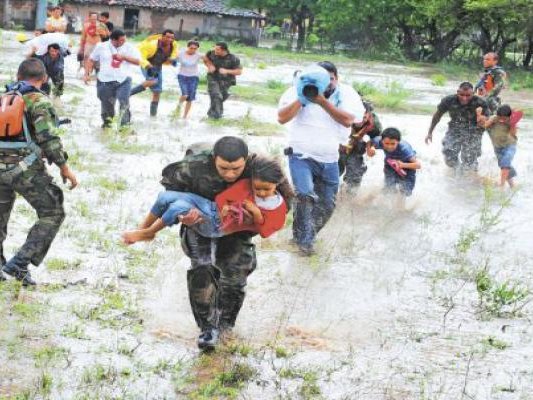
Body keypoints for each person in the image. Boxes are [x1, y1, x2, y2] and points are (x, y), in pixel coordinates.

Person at [159, 136, 273, 350]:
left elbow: (283, 201)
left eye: (236, 169)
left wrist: (256, 215)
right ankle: (207, 328)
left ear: (246, 161)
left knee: (236, 274)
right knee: (202, 267)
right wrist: (184, 215)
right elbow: (170, 194)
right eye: (223, 168)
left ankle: (226, 326)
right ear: (213, 159)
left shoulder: (261, 169)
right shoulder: (192, 168)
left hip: (237, 224)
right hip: (200, 221)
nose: (229, 175)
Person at [0, 58, 78, 286]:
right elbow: (48, 138)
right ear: (44, 79)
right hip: (24, 169)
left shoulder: (3, 98)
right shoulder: (39, 101)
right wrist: (64, 167)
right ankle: (20, 262)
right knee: (53, 212)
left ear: (17, 76)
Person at [278, 61, 365, 255]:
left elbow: (349, 120)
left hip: (330, 158)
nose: (325, 84)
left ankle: (303, 235)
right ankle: (305, 243)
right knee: (305, 194)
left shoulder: (346, 93)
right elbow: (282, 118)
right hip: (300, 155)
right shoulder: (298, 90)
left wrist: (322, 101)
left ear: (336, 79)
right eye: (319, 80)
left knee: (327, 205)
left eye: (329, 80)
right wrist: (302, 98)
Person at [122, 155, 291, 244]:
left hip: (219, 225)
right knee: (165, 196)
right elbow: (223, 197)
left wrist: (256, 214)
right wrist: (226, 206)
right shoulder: (247, 182)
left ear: (277, 184)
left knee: (178, 206)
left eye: (266, 189)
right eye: (257, 188)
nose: (260, 193)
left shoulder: (277, 206)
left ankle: (149, 233)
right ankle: (142, 230)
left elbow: (265, 231)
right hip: (212, 207)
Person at [426, 82, 489, 173]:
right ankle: (458, 173)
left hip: (474, 131)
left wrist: (482, 118)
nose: (464, 98)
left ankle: (469, 179)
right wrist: (430, 132)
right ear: (457, 92)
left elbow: (488, 120)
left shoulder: (480, 102)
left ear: (473, 93)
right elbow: (437, 115)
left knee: (469, 160)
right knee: (448, 153)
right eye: (462, 95)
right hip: (455, 128)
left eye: (468, 95)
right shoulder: (448, 100)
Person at [85, 29, 141, 128]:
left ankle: (124, 127)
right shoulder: (101, 46)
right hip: (105, 81)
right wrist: (87, 74)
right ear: (113, 40)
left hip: (124, 80)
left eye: (124, 40)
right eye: (121, 40)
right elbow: (91, 60)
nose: (124, 42)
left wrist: (123, 57)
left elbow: (138, 61)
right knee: (107, 108)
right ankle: (107, 126)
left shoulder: (129, 47)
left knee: (124, 102)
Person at [367, 128, 421, 208]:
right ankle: (368, 200)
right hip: (391, 164)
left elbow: (418, 165)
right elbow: (370, 142)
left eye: (393, 144)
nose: (389, 146)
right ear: (382, 141)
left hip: (408, 166)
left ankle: (400, 209)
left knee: (404, 191)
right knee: (389, 187)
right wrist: (370, 149)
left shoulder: (404, 149)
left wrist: (402, 165)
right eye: (387, 143)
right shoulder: (379, 141)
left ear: (398, 142)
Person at [129, 30, 179, 117]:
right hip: (147, 64)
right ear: (162, 36)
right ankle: (128, 93)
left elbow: (174, 53)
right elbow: (141, 57)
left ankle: (153, 115)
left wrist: (173, 59)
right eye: (167, 37)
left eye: (172, 38)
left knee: (157, 91)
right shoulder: (151, 45)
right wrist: (148, 66)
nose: (170, 39)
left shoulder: (174, 44)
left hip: (158, 66)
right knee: (152, 80)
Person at [338, 100, 382, 194]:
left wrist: (371, 147)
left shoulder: (374, 123)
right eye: (358, 117)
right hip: (336, 145)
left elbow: (377, 137)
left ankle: (347, 199)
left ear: (369, 115)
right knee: (330, 172)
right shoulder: (342, 114)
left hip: (355, 145)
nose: (360, 120)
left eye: (364, 117)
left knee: (355, 173)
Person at [477, 104, 520, 188]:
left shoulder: (512, 121)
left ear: (509, 116)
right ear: (497, 115)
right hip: (498, 148)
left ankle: (501, 186)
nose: (501, 120)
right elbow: (485, 125)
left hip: (509, 146)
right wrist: (479, 115)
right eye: (500, 117)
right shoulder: (494, 118)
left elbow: (513, 134)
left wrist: (512, 124)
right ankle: (512, 185)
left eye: (504, 118)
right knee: (504, 166)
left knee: (505, 163)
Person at [203, 42, 242, 119]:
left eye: (217, 49)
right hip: (213, 78)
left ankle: (211, 112)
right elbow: (205, 59)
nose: (215, 51)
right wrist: (209, 65)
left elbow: (239, 72)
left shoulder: (233, 58)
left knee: (221, 97)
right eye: (215, 48)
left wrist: (227, 71)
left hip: (226, 81)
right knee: (217, 96)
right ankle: (217, 116)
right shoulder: (211, 53)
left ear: (224, 50)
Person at [175, 40, 202, 119]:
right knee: (185, 94)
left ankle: (185, 116)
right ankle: (178, 107)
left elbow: (208, 61)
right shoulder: (180, 53)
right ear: (188, 47)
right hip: (182, 76)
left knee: (190, 98)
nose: (193, 50)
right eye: (191, 48)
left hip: (194, 77)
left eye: (195, 49)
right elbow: (172, 60)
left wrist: (211, 67)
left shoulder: (198, 55)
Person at [78, 12, 110, 76]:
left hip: (98, 45)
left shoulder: (101, 25)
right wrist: (81, 48)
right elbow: (83, 37)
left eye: (95, 18)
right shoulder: (86, 25)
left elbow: (107, 34)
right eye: (92, 18)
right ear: (89, 18)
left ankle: (98, 74)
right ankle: (87, 74)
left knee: (98, 60)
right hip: (88, 44)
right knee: (87, 58)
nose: (94, 20)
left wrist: (100, 33)